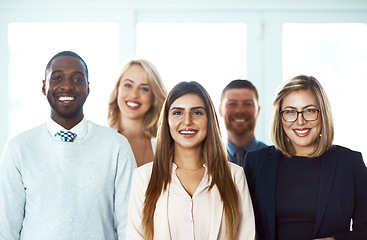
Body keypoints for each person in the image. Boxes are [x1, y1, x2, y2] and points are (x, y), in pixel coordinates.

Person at [0, 51, 137, 239]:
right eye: (57, 78)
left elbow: (129, 224)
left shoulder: (116, 146)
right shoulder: (18, 148)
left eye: (77, 79)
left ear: (88, 88)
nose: (67, 86)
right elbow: (6, 227)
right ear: (43, 86)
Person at [126, 81, 255, 240]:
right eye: (178, 113)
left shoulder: (235, 175)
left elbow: (246, 236)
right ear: (167, 121)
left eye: (197, 113)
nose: (187, 121)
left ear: (209, 119)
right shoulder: (144, 177)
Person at [244, 75, 367, 240]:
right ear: (280, 118)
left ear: (322, 113)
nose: (300, 121)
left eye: (309, 111)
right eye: (290, 112)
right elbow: (240, 228)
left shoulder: (350, 163)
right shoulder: (255, 162)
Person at [108, 59, 167, 167]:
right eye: (128, 85)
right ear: (117, 89)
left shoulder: (166, 147)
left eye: (144, 88)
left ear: (154, 96)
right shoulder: (101, 141)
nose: (134, 94)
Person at [219, 79, 266, 166]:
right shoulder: (209, 161)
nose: (239, 111)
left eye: (248, 104)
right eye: (232, 104)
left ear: (258, 110)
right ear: (220, 110)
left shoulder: (275, 159)